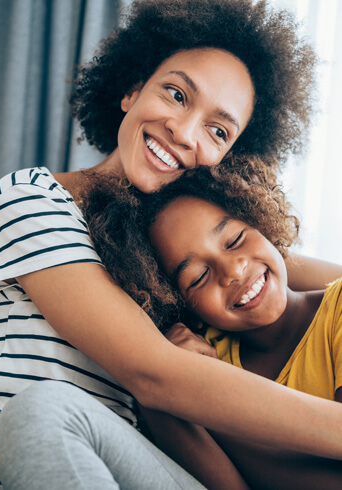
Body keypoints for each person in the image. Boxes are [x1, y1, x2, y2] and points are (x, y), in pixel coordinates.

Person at [0, 0, 342, 488]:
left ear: (226, 159)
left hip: (136, 466)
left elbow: (278, 263)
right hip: (45, 455)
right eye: (177, 94)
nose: (183, 130)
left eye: (217, 130)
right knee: (42, 411)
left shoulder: (182, 251)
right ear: (132, 89)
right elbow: (153, 374)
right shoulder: (33, 199)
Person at [75, 158, 342, 488]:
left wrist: (203, 412)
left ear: (261, 220)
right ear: (177, 303)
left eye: (234, 240)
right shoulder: (197, 360)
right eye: (198, 277)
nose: (232, 271)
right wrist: (170, 387)